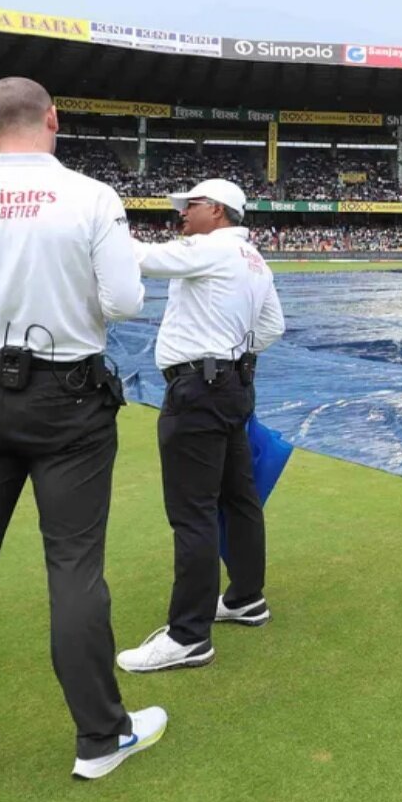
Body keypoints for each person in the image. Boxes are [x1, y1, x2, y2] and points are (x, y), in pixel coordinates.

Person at [0, 77, 158, 794]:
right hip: (67, 392)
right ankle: (99, 737)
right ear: (53, 119)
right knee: (73, 565)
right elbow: (127, 300)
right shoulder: (90, 195)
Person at [117, 179, 285, 674]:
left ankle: (189, 635)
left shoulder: (209, 248)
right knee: (239, 497)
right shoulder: (254, 259)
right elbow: (272, 328)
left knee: (192, 511)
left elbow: (143, 258)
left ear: (216, 210)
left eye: (189, 206)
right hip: (233, 385)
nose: (182, 215)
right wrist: (232, 349)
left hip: (197, 389)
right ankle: (246, 598)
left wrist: (90, 222)